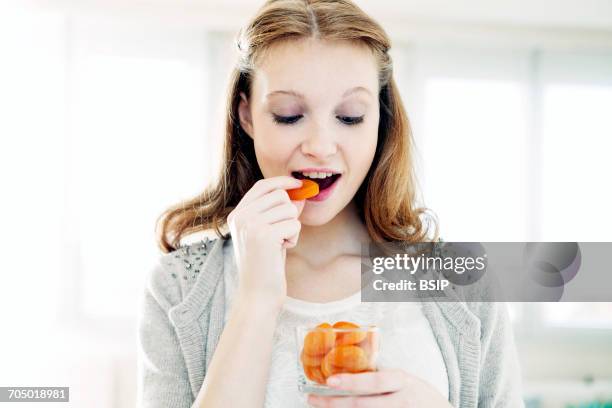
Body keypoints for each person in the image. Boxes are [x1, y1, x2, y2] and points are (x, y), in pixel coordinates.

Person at [137, 0, 524, 407]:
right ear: (247, 116)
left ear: (381, 119)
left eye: (350, 116)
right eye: (288, 116)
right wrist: (257, 299)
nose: (320, 147)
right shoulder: (179, 286)